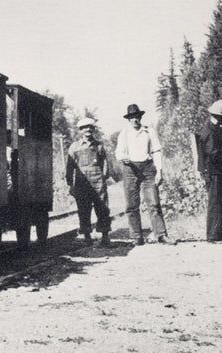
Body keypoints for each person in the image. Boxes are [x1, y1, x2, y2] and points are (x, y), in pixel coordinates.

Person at [115, 104, 176, 245]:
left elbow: (157, 151)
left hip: (148, 169)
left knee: (154, 203)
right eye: (131, 117)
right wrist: (123, 157)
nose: (134, 120)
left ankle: (161, 235)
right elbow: (119, 152)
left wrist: (159, 171)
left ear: (140, 117)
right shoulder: (124, 133)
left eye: (136, 117)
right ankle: (136, 236)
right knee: (131, 205)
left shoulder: (149, 131)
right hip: (130, 169)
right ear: (128, 119)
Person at [196, 99, 222, 242]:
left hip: (215, 171)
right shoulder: (210, 132)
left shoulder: (214, 129)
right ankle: (214, 236)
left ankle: (220, 235)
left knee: (221, 201)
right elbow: (215, 155)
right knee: (216, 202)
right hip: (213, 172)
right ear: (218, 116)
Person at [66, 118, 112, 246]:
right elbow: (70, 166)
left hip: (98, 180)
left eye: (90, 127)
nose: (88, 130)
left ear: (94, 129)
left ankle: (105, 236)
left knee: (102, 208)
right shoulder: (74, 147)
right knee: (83, 209)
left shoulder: (99, 146)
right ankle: (87, 236)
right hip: (82, 182)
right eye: (85, 127)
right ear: (80, 130)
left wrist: (103, 177)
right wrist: (70, 184)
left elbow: (105, 163)